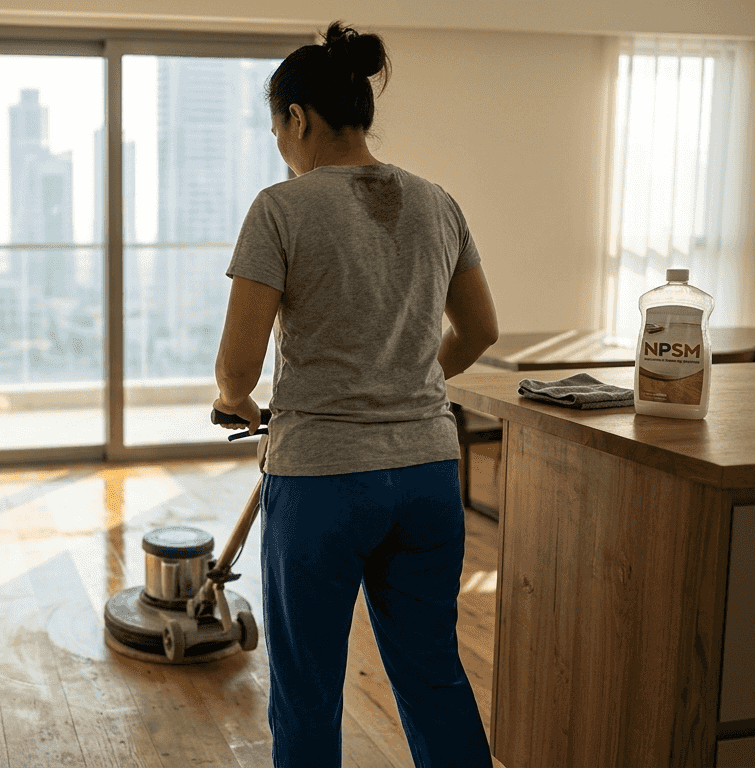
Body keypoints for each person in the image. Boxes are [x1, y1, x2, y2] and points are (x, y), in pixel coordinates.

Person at [213, 21, 500, 768]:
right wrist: (410, 379)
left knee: (308, 691)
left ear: (298, 119)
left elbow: (237, 370)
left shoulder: (282, 208)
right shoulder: (438, 203)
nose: (280, 144)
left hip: (322, 483)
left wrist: (237, 402)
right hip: (431, 473)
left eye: (278, 127)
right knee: (434, 673)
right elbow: (479, 330)